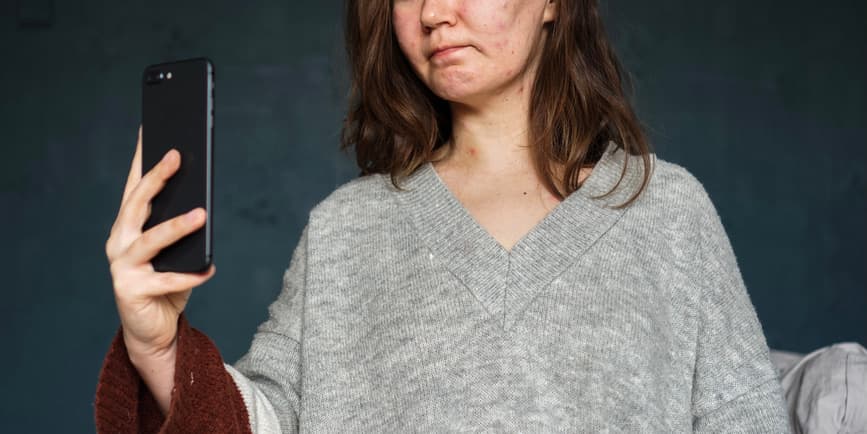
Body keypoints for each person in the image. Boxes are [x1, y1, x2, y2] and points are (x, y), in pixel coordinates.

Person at [95, 0, 794, 432]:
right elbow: (268, 421)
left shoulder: (664, 211)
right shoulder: (346, 230)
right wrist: (158, 349)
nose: (432, 12)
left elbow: (744, 421)